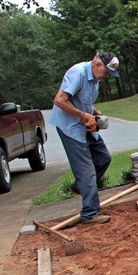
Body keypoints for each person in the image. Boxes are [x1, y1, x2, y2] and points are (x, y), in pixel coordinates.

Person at [50, 51, 120, 224]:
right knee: (86, 170)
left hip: (85, 125)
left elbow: (82, 100)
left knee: (103, 158)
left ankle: (79, 187)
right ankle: (90, 213)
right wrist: (83, 116)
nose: (106, 77)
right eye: (106, 73)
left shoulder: (94, 78)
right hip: (70, 127)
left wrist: (92, 111)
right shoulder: (78, 73)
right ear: (98, 65)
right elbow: (59, 100)